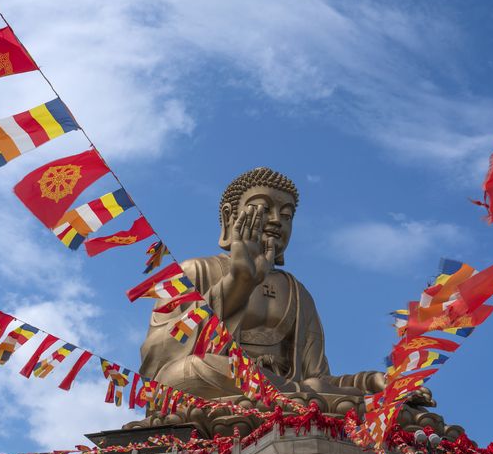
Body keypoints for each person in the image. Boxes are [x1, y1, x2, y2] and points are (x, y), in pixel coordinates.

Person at [139, 167, 385, 400]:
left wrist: (368, 381)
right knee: (190, 370)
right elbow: (158, 359)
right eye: (263, 209)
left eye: (287, 215)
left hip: (278, 393)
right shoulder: (194, 270)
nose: (277, 220)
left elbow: (319, 377)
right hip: (219, 379)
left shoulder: (298, 294)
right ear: (229, 216)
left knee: (332, 395)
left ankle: (292, 397)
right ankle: (294, 396)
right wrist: (239, 282)